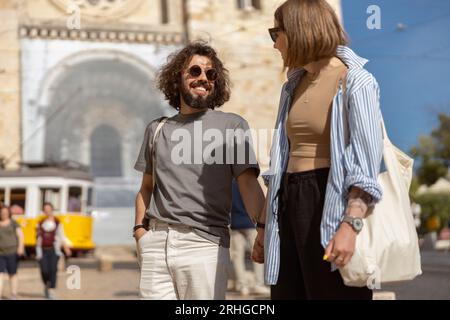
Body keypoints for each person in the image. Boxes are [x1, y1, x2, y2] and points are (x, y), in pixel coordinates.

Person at [253, 0, 384, 300]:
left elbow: (365, 168)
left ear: (300, 30)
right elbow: (279, 163)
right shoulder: (292, 86)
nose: (274, 45)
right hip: (288, 202)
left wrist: (351, 225)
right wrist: (264, 225)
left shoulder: (356, 81)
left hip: (330, 199)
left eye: (276, 33)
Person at [134, 42, 266, 300]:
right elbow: (146, 188)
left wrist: (263, 230)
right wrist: (141, 233)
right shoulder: (156, 129)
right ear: (177, 78)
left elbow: (249, 185)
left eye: (211, 74)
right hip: (156, 245)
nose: (203, 78)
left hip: (205, 245)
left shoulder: (232, 126)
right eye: (195, 71)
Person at [229, 180, 269, 297]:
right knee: (257, 252)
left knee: (237, 256)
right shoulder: (249, 179)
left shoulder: (229, 183)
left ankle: (242, 286)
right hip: (251, 222)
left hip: (235, 223)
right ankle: (258, 284)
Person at [36, 202, 72, 299]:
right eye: (45, 209)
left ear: (52, 210)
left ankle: (52, 290)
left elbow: (62, 236)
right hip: (42, 250)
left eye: (49, 209)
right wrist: (37, 251)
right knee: (44, 271)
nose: (47, 211)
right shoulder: (40, 223)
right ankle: (46, 285)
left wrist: (66, 248)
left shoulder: (57, 222)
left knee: (53, 270)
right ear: (44, 211)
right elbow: (38, 237)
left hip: (53, 250)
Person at [0, 205, 24, 300]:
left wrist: (20, 247)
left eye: (6, 212)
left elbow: (20, 235)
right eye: (2, 212)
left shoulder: (14, 223)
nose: (4, 214)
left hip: (12, 252)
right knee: (0, 274)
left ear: (9, 213)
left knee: (12, 274)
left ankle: (13, 294)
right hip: (0, 253)